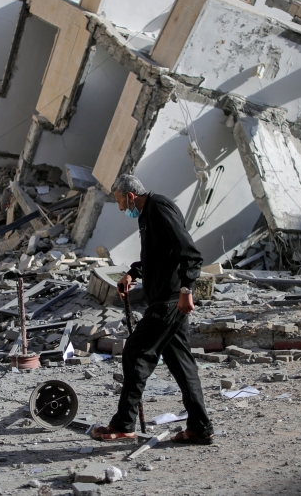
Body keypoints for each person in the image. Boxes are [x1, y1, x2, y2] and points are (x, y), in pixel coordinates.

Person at [90, 174, 214, 445]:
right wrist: (133, 273)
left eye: (121, 202)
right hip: (166, 300)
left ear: (131, 196)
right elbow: (159, 256)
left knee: (136, 352)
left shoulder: (159, 207)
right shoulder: (147, 215)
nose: (122, 209)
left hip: (170, 301)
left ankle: (123, 424)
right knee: (182, 365)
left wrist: (185, 290)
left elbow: (189, 252)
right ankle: (200, 428)